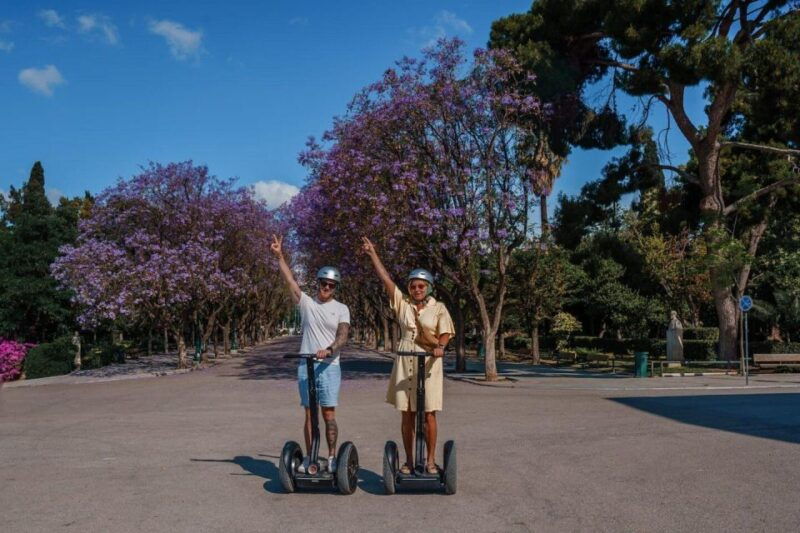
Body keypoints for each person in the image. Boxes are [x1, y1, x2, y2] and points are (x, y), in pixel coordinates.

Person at [361, 236, 454, 475]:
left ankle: (431, 461)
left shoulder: (439, 307)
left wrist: (440, 347)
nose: (417, 289)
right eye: (413, 286)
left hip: (430, 361)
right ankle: (410, 461)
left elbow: (445, 333)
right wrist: (373, 254)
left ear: (429, 287)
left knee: (429, 413)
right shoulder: (402, 304)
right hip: (405, 360)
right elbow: (386, 280)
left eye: (421, 286)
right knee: (408, 414)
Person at [270, 235, 350, 473]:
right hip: (306, 366)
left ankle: (333, 456)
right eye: (323, 283)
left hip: (329, 367)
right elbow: (290, 282)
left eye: (331, 285)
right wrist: (279, 256)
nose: (326, 288)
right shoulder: (307, 304)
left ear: (335, 288)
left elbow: (343, 336)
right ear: (318, 283)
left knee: (327, 413)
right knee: (308, 412)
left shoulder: (341, 309)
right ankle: (309, 457)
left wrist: (330, 350)